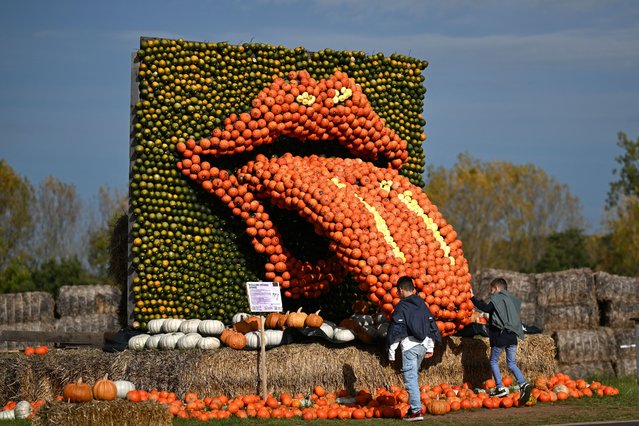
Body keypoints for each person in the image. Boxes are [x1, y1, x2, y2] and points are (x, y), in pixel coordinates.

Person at [386, 276, 442, 421]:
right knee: (413, 377)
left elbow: (397, 329)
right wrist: (430, 347)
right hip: (422, 346)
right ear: (413, 289)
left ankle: (417, 411)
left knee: (410, 379)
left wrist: (391, 351)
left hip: (410, 347)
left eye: (397, 292)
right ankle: (413, 408)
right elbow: (430, 325)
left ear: (400, 290)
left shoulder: (402, 306)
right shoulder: (422, 304)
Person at [471, 277, 532, 404]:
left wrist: (472, 298)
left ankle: (500, 388)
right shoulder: (511, 300)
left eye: (492, 289)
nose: (491, 292)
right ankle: (523, 384)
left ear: (497, 288)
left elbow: (486, 308)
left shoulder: (498, 298)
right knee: (511, 363)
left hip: (500, 336)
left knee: (493, 361)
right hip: (512, 337)